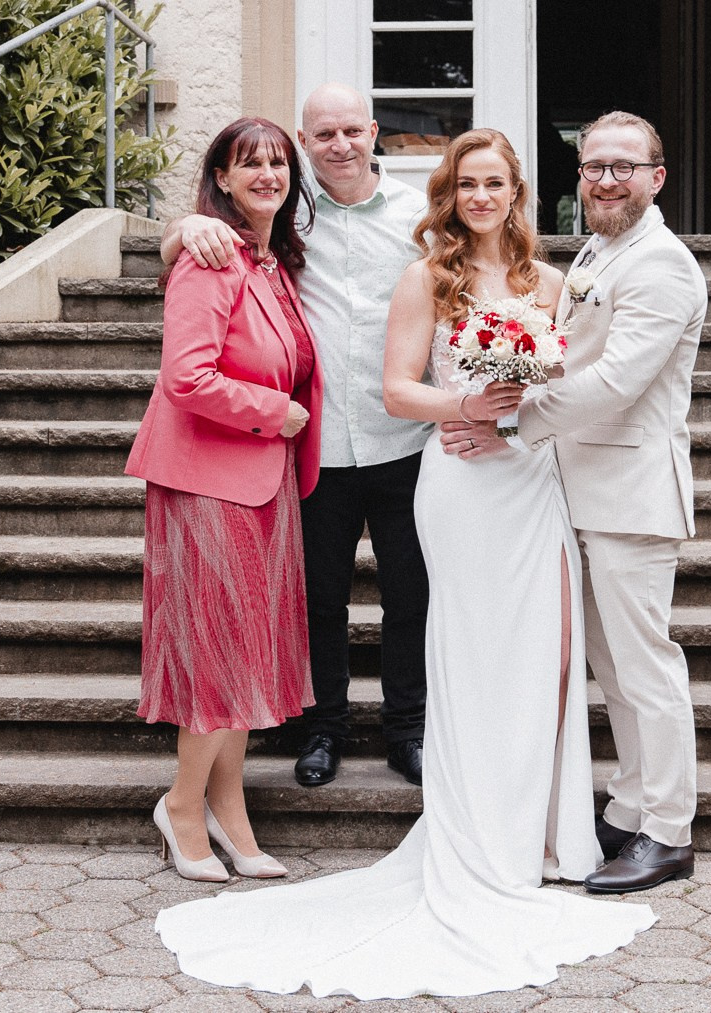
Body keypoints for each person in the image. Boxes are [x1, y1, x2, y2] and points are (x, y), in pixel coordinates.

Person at [155, 129, 654, 1000]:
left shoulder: (554, 281)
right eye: (468, 183)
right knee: (467, 652)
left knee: (545, 655)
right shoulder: (427, 273)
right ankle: (475, 835)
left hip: (532, 483)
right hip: (458, 476)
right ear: (449, 192)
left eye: (497, 182)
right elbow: (397, 390)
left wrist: (525, 412)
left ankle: (548, 834)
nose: (483, 196)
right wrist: (467, 402)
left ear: (519, 190)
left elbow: (582, 377)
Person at [442, 110, 708, 895]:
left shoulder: (661, 264)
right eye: (593, 166)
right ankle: (628, 808)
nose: (605, 179)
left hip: (630, 494)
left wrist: (514, 420)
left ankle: (669, 829)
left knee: (646, 668)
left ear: (657, 177)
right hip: (579, 489)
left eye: (624, 166)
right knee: (611, 668)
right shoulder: (599, 247)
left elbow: (616, 380)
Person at [160, 84, 433, 788]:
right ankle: (324, 728)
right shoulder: (285, 215)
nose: (339, 144)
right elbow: (212, 236)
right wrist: (183, 229)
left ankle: (410, 729)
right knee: (318, 600)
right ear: (305, 144)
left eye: (352, 130)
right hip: (314, 451)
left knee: (410, 596)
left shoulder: (420, 214)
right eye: (323, 135)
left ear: (374, 131)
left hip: (403, 439)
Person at [125, 117, 322, 884]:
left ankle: (230, 810)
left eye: (278, 162)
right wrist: (278, 412)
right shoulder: (211, 259)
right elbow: (188, 377)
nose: (268, 174)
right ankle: (181, 804)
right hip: (207, 482)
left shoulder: (272, 263)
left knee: (246, 654)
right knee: (217, 653)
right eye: (251, 164)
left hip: (266, 484)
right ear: (224, 178)